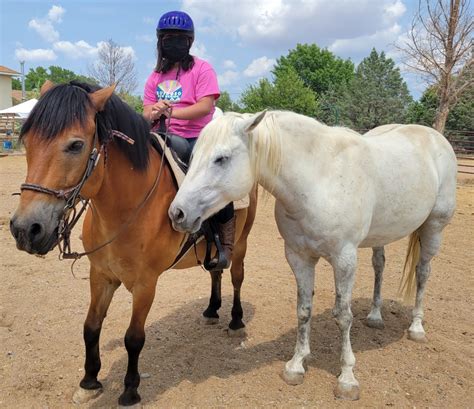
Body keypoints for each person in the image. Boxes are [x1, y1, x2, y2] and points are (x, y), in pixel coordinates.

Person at [143, 10, 235, 270]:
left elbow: (206, 107)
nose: (173, 42)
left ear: (189, 41)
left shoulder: (202, 69)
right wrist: (153, 112)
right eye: (168, 37)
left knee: (217, 178)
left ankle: (225, 244)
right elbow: (146, 111)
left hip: (198, 137)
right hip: (161, 135)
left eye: (180, 38)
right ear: (160, 42)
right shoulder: (155, 77)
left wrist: (171, 111)